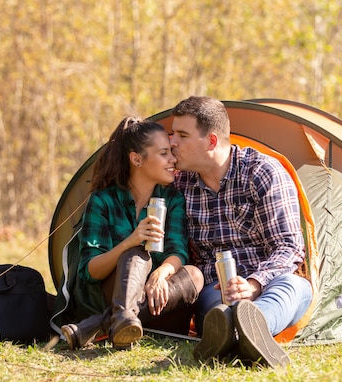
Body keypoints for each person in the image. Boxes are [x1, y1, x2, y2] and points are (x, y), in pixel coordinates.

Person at [170, 96, 313, 368]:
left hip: (271, 280)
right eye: (172, 134)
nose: (172, 142)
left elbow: (289, 246)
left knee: (294, 287)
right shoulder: (179, 184)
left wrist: (254, 284)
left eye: (182, 135)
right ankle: (239, 335)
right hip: (216, 287)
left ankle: (250, 329)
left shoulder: (262, 171)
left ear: (211, 141)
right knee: (216, 311)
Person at [57, 116, 204, 350]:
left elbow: (177, 250)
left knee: (195, 274)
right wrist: (130, 241)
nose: (173, 159)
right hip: (108, 292)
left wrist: (162, 273)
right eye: (164, 153)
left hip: (158, 298)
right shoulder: (103, 200)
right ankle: (119, 318)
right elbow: (90, 271)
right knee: (135, 254)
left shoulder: (171, 199)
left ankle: (101, 325)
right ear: (136, 159)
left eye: (171, 152)